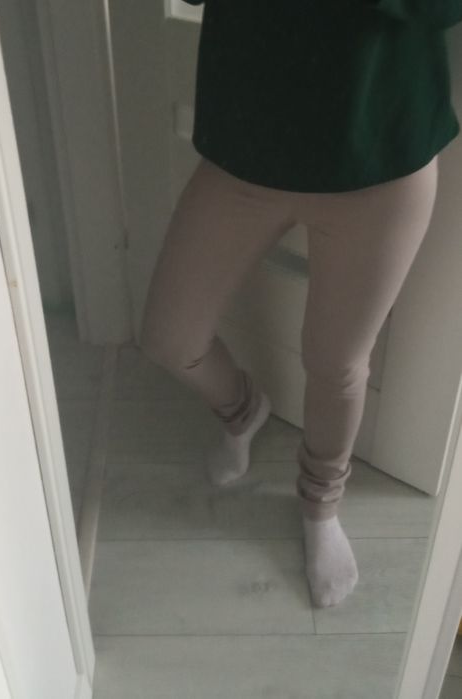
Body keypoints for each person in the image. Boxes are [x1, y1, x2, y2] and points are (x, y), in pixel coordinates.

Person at [139, 0, 462, 608]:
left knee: (337, 362)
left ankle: (320, 504)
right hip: (246, 149)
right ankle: (243, 411)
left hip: (381, 151)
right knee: (169, 336)